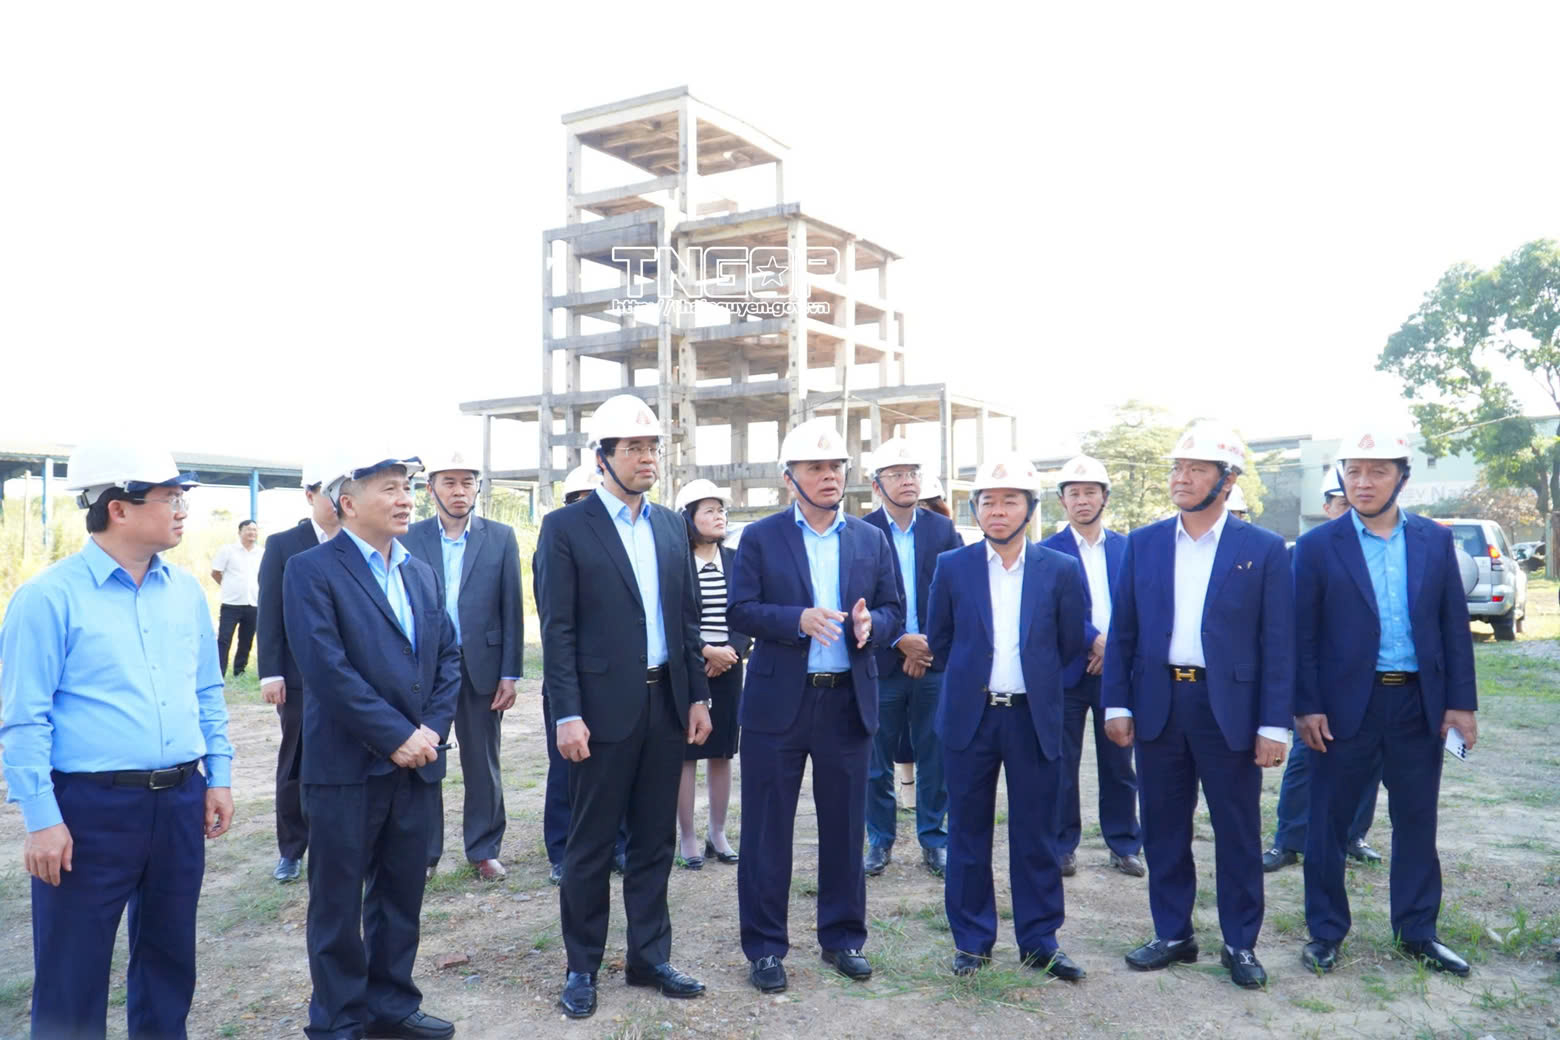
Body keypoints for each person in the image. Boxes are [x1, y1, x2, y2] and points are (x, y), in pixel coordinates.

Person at [0, 440, 233, 1039]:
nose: (182, 509)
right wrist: (41, 819)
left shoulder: (185, 592)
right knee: (72, 973)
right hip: (89, 809)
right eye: (169, 497)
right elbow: (23, 718)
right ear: (118, 508)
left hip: (179, 800)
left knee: (168, 962)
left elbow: (207, 691)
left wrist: (220, 776)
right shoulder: (48, 598)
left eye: (182, 497)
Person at [533, 394, 713, 1020]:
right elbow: (557, 630)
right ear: (602, 457)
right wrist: (567, 713)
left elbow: (686, 620)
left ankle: (648, 958)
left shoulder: (668, 525)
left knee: (655, 840)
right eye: (633, 448)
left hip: (665, 704)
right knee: (590, 845)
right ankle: (582, 966)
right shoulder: (566, 528)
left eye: (652, 447)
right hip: (600, 712)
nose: (646, 458)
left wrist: (697, 696)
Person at [1102, 422, 1294, 989]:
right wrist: (1116, 704)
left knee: (1237, 829)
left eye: (1196, 469)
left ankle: (1240, 942)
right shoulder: (1144, 543)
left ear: (1227, 480)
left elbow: (1278, 642)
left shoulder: (1262, 549)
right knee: (1163, 826)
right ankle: (1173, 933)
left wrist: (1274, 723)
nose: (1181, 478)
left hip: (1229, 708)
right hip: (1159, 702)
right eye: (1177, 468)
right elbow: (1123, 632)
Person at [283, 456, 461, 1040]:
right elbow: (326, 668)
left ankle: (391, 1007)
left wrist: (430, 729)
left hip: (417, 763)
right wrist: (395, 736)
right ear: (348, 502)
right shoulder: (312, 570)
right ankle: (337, 1020)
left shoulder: (420, 571)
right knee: (336, 903)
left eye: (407, 488)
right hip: (346, 768)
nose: (406, 499)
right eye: (390, 489)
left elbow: (447, 657)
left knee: (400, 893)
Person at [727, 417, 903, 995]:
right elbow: (741, 609)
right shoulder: (761, 537)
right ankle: (764, 947)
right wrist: (796, 620)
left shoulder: (869, 539)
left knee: (845, 827)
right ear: (790, 478)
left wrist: (871, 626)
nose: (829, 476)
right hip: (778, 705)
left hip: (847, 703)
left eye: (836, 467)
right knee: (766, 831)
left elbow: (894, 610)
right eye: (815, 468)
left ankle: (843, 938)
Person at [1295, 429, 1478, 977]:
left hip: (1418, 703)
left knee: (1416, 820)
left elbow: (1452, 625)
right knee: (1328, 823)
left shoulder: (1432, 540)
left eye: (1377, 471)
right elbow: (1301, 634)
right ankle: (1326, 932)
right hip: (1344, 708)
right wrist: (1306, 705)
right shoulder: (1318, 546)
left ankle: (1417, 932)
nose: (1363, 482)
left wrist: (1460, 703)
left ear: (1402, 477)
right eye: (1353, 471)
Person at [926, 452, 1088, 980]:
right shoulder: (953, 566)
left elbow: (1070, 644)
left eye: (1010, 501)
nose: (997, 511)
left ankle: (1040, 941)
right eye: (988, 501)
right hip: (970, 718)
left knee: (1036, 835)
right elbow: (940, 641)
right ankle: (972, 942)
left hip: (1031, 718)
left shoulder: (1060, 570)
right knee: (967, 834)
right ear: (975, 508)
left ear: (1030, 508)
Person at [406, 450, 524, 883]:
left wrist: (509, 673)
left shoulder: (500, 537)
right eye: (449, 482)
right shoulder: (409, 537)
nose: (459, 491)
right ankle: (423, 852)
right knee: (423, 759)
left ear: (477, 487)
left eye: (467, 482)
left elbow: (512, 608)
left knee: (483, 763)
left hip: (482, 668)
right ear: (431, 488)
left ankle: (484, 849)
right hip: (425, 670)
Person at [1264, 466, 1382, 873]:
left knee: (1370, 762)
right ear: (1327, 507)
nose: (1350, 510)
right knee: (1305, 761)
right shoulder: (1304, 551)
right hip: (1321, 680)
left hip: (1369, 678)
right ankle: (1289, 840)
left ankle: (1353, 835)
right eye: (1342, 503)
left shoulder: (1378, 550)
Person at [860, 437, 962, 878]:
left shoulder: (942, 530)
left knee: (935, 755)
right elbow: (856, 599)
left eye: (913, 473)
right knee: (874, 759)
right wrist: (900, 640)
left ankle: (934, 840)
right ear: (876, 484)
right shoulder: (861, 531)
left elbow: (956, 595)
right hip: (880, 663)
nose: (907, 481)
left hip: (933, 663)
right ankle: (879, 840)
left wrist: (927, 647)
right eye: (897, 474)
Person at [1039, 455, 1143, 878]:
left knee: (1119, 761)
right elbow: (1047, 609)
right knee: (1061, 763)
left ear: (1105, 497)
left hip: (1116, 673)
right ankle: (1063, 845)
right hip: (1066, 670)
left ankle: (1124, 844)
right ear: (1062, 500)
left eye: (1090, 492)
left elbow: (1138, 605)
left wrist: (1111, 647)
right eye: (1074, 493)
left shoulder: (1128, 547)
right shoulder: (1046, 550)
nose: (1082, 500)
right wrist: (1092, 641)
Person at [257, 458, 347, 884]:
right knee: (296, 761)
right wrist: (271, 672)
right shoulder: (283, 544)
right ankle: (292, 849)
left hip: (350, 677)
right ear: (309, 496)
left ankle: (341, 844)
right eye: (329, 492)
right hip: (298, 678)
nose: (337, 501)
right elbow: (269, 612)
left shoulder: (360, 540)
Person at [539, 463, 623, 886]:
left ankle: (617, 845)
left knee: (616, 768)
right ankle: (562, 850)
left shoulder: (623, 545)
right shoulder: (557, 540)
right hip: (569, 677)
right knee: (565, 769)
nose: (589, 508)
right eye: (579, 501)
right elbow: (556, 623)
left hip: (615, 679)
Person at [672, 478, 751, 869]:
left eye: (721, 510)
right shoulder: (677, 562)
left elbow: (748, 611)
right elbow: (675, 617)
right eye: (709, 510)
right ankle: (687, 837)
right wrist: (705, 650)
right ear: (688, 518)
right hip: (691, 667)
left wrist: (730, 652)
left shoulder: (736, 560)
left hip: (729, 668)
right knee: (687, 753)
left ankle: (717, 833)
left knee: (722, 752)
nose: (719, 516)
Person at [211, 518, 262, 676]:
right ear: (240, 532)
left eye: (254, 529)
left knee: (246, 640)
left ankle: (239, 671)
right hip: (231, 603)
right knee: (224, 639)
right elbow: (216, 572)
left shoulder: (262, 553)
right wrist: (227, 586)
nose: (252, 532)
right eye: (248, 529)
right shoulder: (228, 550)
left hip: (253, 603)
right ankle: (219, 672)